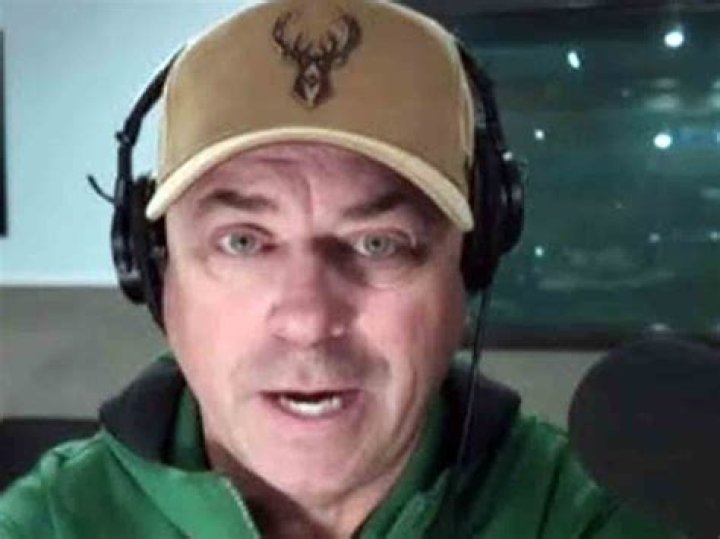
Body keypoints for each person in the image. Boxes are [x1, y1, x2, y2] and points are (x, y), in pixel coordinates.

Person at [0, 1, 678, 537]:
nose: (308, 319)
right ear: (155, 277)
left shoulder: (587, 517)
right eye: (243, 242)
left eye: (378, 243)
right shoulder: (48, 523)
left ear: (468, 270)